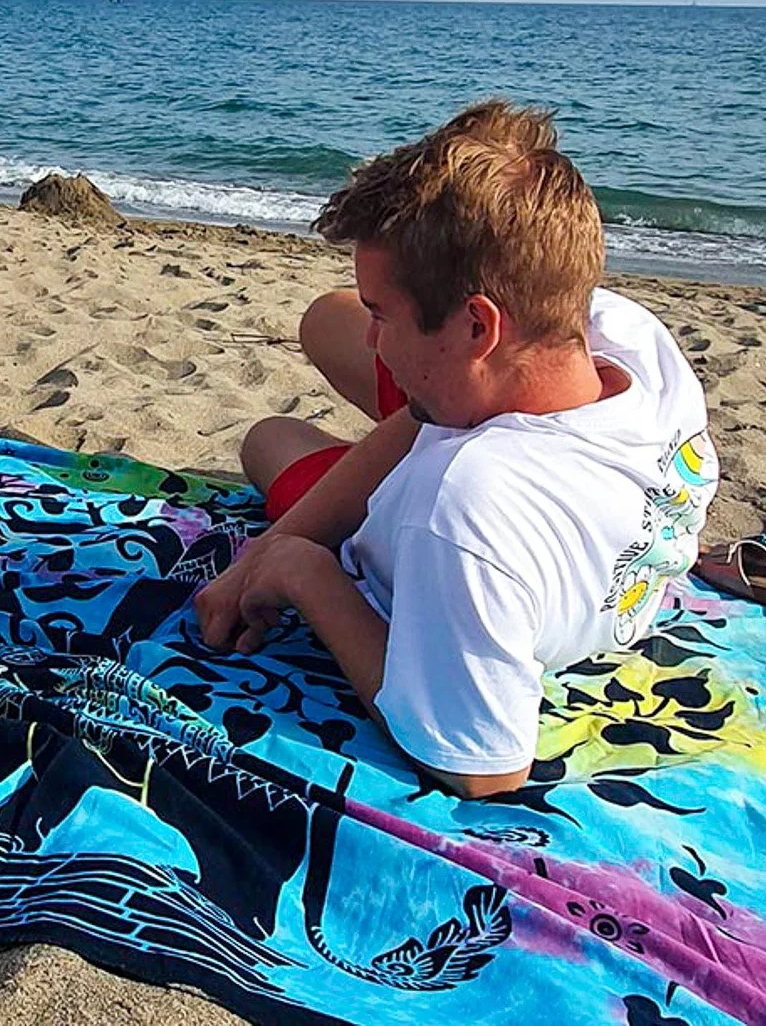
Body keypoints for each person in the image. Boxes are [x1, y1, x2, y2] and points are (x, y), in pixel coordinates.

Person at [194, 101, 718, 798]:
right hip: (514, 439)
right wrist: (269, 548)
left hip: (438, 529)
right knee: (325, 325)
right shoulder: (633, 338)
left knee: (270, 438)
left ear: (477, 325)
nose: (375, 340)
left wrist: (302, 572)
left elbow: (482, 767)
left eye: (382, 316)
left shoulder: (464, 507)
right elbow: (423, 420)